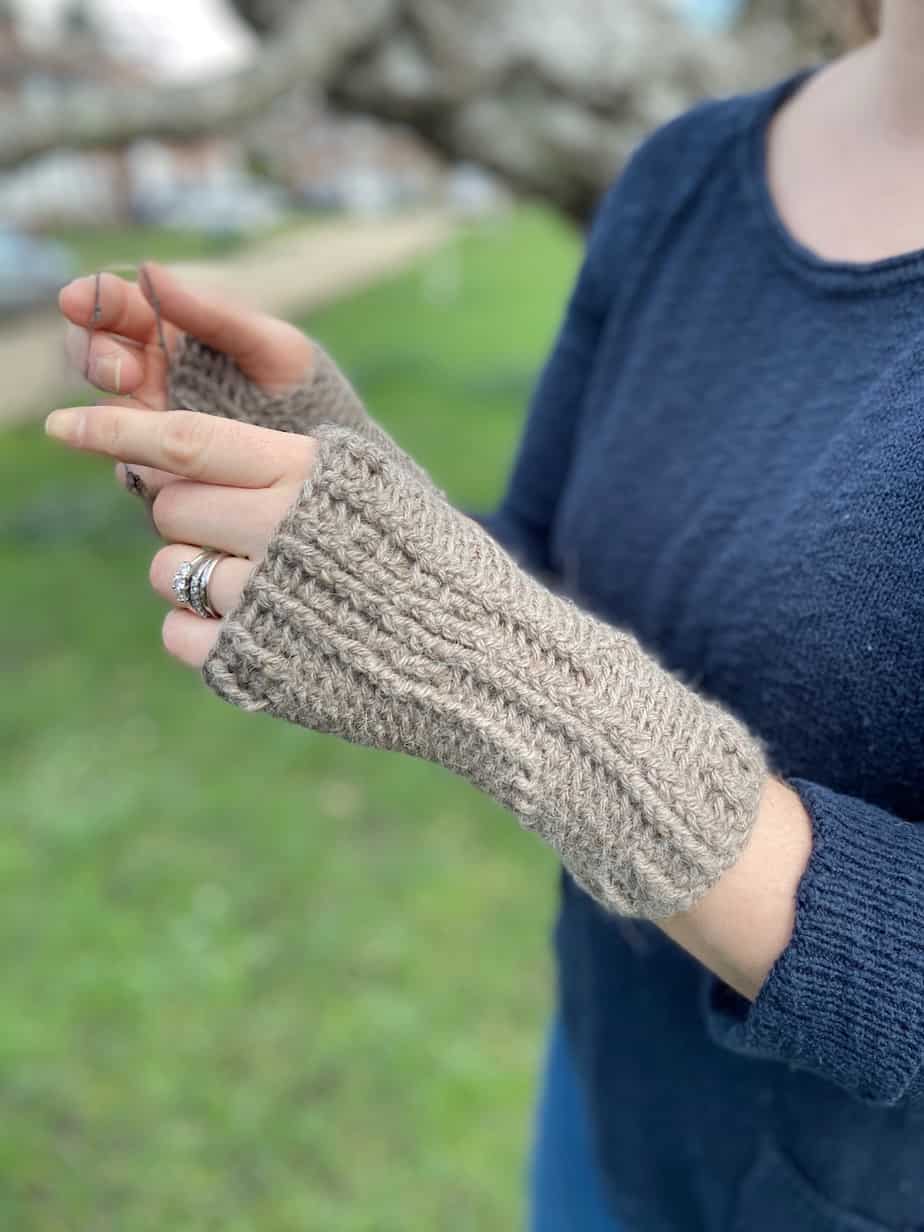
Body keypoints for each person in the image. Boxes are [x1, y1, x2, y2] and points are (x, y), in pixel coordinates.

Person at [51, 0, 924, 1227]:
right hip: (605, 1096)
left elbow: (521, 659)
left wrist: (507, 676)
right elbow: (548, 573)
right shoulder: (685, 176)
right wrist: (339, 475)